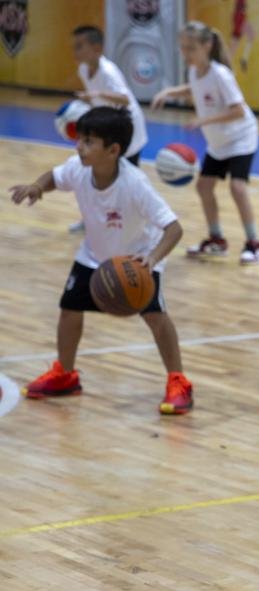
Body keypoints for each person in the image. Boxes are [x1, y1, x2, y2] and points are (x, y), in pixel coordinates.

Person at [9, 107, 193, 415]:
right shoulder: (77, 168)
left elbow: (174, 228)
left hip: (138, 260)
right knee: (69, 309)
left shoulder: (135, 184)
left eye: (89, 141)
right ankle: (65, 374)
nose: (79, 146)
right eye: (79, 139)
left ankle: (179, 382)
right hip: (93, 256)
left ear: (113, 150)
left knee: (156, 319)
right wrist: (37, 187)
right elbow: (54, 176)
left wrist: (152, 258)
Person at [152, 21, 259, 265]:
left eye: (191, 48)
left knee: (237, 188)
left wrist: (203, 120)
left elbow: (238, 110)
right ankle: (216, 240)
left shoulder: (220, 74)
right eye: (183, 47)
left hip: (240, 138)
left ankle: (254, 244)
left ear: (207, 45)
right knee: (204, 186)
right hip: (219, 142)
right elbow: (195, 89)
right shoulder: (195, 72)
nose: (185, 53)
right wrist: (169, 92)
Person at [68, 24, 148, 234]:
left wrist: (94, 96)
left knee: (127, 181)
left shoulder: (108, 72)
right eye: (74, 46)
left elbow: (124, 98)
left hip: (128, 129)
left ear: (96, 48)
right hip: (110, 128)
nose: (75, 51)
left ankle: (135, 222)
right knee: (97, 174)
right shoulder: (84, 69)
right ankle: (93, 218)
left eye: (79, 46)